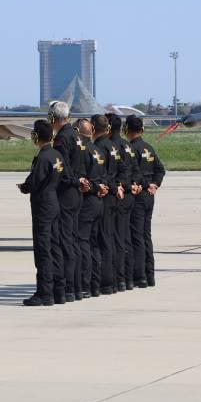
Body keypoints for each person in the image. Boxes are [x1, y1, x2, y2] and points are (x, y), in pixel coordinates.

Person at [17, 120, 65, 305]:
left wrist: (24, 187)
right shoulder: (57, 155)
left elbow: (34, 180)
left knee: (43, 249)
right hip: (54, 203)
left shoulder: (43, 157)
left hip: (43, 206)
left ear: (36, 136)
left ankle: (44, 293)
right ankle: (59, 291)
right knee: (56, 247)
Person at [49, 101, 85, 302]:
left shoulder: (62, 138)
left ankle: (68, 288)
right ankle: (77, 287)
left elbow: (62, 168)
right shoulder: (76, 135)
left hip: (66, 193)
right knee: (74, 241)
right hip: (77, 192)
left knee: (65, 243)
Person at [125, 115, 165, 287]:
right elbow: (160, 169)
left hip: (140, 195)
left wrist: (146, 184)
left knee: (137, 236)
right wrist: (155, 184)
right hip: (149, 196)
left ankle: (139, 275)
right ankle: (149, 274)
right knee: (145, 235)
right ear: (142, 129)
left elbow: (135, 172)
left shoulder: (131, 149)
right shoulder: (149, 148)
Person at [107, 112, 139, 291]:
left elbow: (114, 172)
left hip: (118, 195)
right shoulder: (128, 146)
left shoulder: (111, 147)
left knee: (116, 240)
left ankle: (118, 279)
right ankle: (128, 278)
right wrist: (137, 184)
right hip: (129, 195)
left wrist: (118, 186)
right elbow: (134, 170)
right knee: (126, 239)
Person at [75, 118, 106, 299]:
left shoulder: (83, 151)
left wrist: (93, 187)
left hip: (87, 202)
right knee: (94, 244)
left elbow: (84, 180)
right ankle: (95, 285)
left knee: (83, 243)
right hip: (99, 202)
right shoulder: (98, 150)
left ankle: (85, 285)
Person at [91, 114, 120, 294]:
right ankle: (114, 280)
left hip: (105, 195)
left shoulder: (98, 148)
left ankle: (106, 281)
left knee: (102, 240)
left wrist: (105, 187)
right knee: (111, 238)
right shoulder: (114, 146)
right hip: (115, 194)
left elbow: (102, 173)